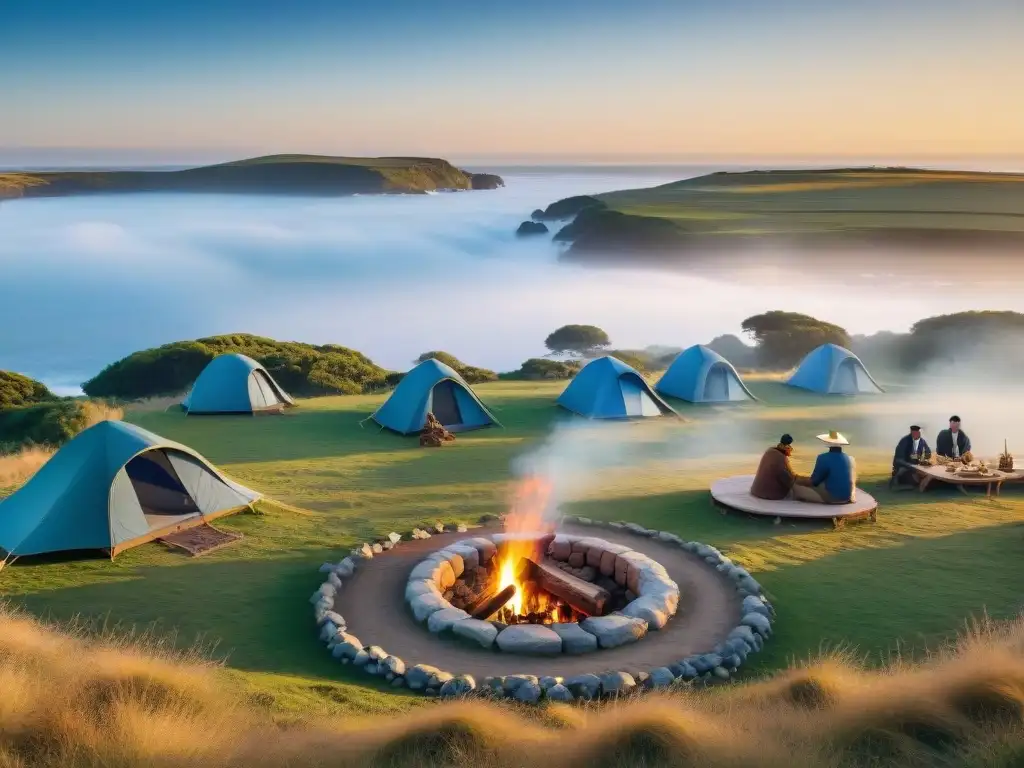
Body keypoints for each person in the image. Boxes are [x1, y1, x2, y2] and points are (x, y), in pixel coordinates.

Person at [791, 430, 856, 504]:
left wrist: (798, 480)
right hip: (847, 497)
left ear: (828, 443)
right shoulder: (848, 458)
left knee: (796, 486)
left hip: (833, 498)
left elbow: (814, 482)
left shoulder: (823, 458)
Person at [750, 433, 811, 500]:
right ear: (787, 446)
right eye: (789, 447)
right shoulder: (780, 457)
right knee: (800, 489)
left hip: (756, 490)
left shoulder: (769, 451)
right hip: (769, 494)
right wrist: (806, 481)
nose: (791, 449)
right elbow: (788, 480)